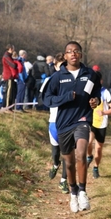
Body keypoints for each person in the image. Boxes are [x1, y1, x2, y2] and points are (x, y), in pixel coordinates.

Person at [43, 41, 101, 213]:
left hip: (83, 120)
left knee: (81, 154)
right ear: (65, 56)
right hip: (63, 123)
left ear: (81, 54)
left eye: (76, 51)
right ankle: (73, 193)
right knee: (68, 163)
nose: (73, 54)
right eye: (69, 51)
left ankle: (83, 191)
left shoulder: (90, 74)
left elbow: (96, 91)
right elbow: (47, 100)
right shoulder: (57, 77)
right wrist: (66, 97)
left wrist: (95, 101)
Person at [44, 53, 69, 193]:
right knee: (55, 152)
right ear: (55, 67)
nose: (62, 69)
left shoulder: (72, 80)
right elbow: (44, 99)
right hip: (53, 121)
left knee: (67, 153)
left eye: (64, 66)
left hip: (67, 122)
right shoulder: (50, 80)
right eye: (59, 66)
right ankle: (55, 163)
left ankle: (63, 181)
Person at [86, 70, 111, 178]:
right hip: (90, 122)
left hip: (101, 124)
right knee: (88, 142)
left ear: (101, 81)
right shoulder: (87, 92)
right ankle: (89, 156)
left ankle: (95, 167)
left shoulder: (105, 92)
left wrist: (104, 112)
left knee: (98, 149)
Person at [1, 44, 20, 110]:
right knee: (8, 92)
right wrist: (16, 62)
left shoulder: (9, 56)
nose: (14, 50)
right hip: (8, 76)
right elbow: (13, 65)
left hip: (11, 77)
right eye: (13, 48)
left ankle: (10, 107)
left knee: (12, 92)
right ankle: (7, 106)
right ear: (10, 49)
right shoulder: (6, 56)